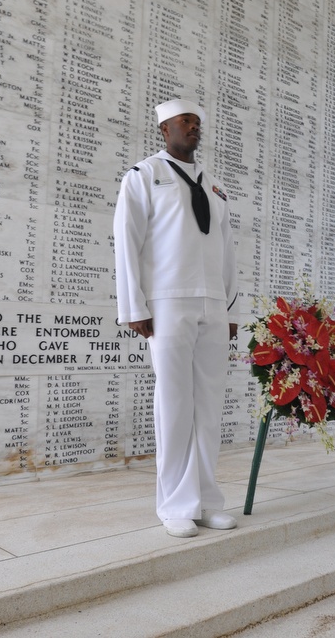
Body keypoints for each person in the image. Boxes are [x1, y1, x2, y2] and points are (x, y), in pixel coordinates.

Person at [113, 99, 239, 538]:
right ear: (165, 129)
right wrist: (134, 306)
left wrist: (231, 308)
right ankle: (175, 505)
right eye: (185, 120)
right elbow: (126, 241)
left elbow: (227, 251)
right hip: (167, 303)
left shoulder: (215, 186)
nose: (193, 127)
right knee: (174, 403)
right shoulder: (145, 176)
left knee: (208, 406)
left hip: (211, 304)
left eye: (197, 122)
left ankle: (206, 501)